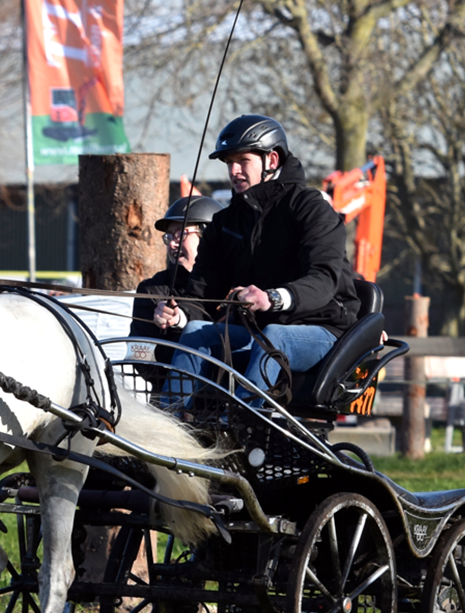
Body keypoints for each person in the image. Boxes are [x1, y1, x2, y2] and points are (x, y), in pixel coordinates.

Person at [162, 114, 361, 404]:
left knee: (274, 336)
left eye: (243, 161)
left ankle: (242, 425)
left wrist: (273, 298)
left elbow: (324, 278)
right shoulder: (225, 222)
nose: (234, 171)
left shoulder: (311, 208)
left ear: (272, 160)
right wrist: (179, 315)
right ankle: (168, 432)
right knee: (195, 332)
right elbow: (203, 293)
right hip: (257, 330)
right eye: (229, 163)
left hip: (323, 329)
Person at [129, 195, 223, 383]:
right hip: (173, 398)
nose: (173, 243)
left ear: (209, 237)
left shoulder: (234, 285)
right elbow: (140, 359)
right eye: (169, 236)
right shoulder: (151, 290)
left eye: (182, 235)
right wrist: (166, 333)